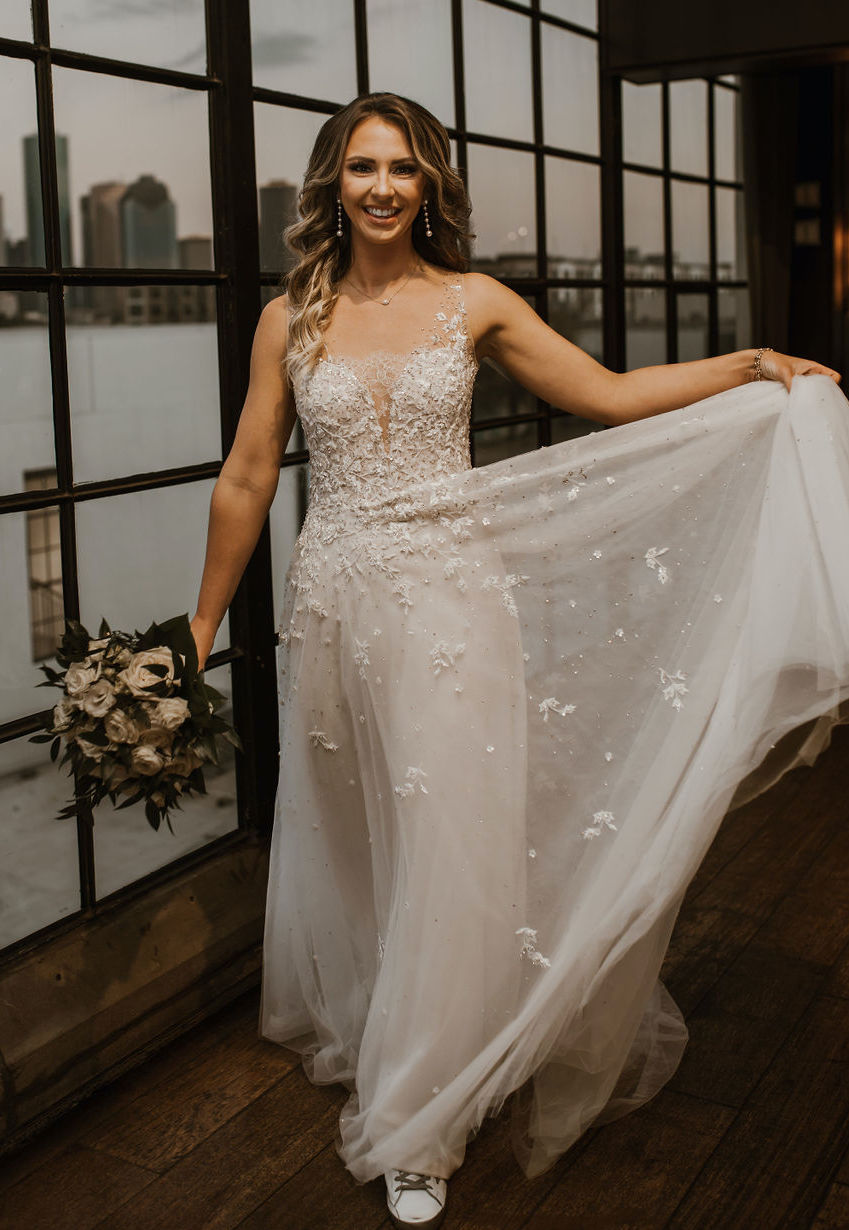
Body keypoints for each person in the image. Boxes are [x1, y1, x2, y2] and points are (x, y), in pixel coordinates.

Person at [189, 92, 848, 1230]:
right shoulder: (288, 317)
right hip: (333, 611)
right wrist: (195, 628)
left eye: (404, 168)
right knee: (363, 850)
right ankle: (407, 1034)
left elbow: (611, 397)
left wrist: (749, 367)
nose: (384, 187)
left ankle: (422, 1124)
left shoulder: (476, 303)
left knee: (454, 849)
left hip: (451, 606)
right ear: (331, 184)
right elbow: (249, 475)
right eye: (362, 168)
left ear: (431, 184)